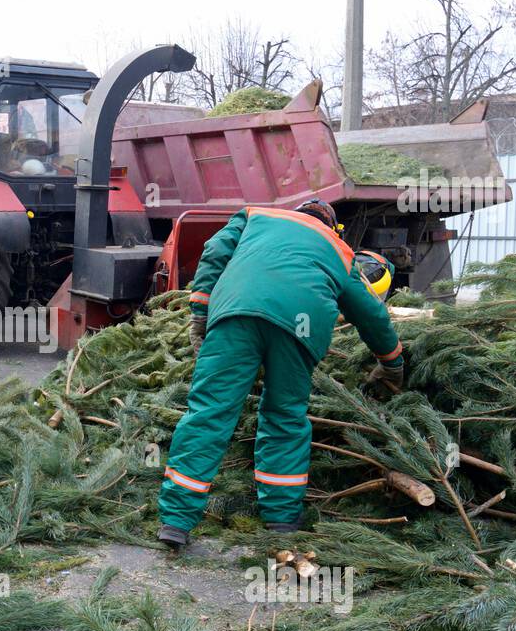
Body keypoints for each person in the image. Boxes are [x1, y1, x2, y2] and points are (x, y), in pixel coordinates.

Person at [156, 198, 405, 555]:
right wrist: (392, 362)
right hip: (301, 325)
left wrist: (200, 311)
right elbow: (371, 314)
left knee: (209, 413)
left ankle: (176, 523)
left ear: (297, 211)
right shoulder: (339, 249)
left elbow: (214, 253)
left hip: (236, 313)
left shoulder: (257, 216)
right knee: (285, 416)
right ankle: (282, 521)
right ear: (331, 225)